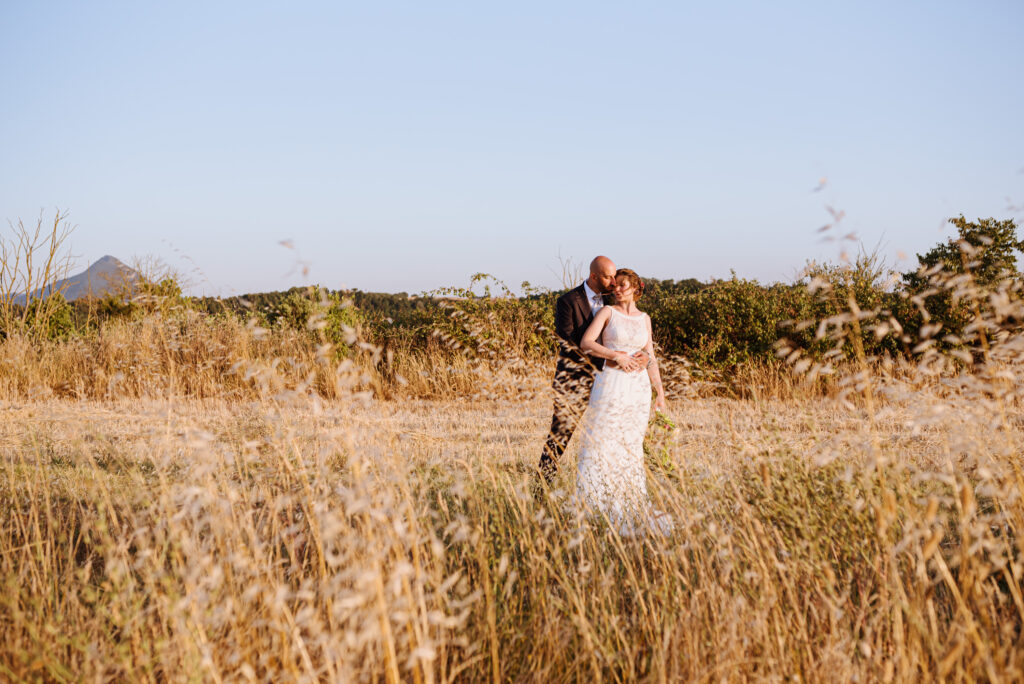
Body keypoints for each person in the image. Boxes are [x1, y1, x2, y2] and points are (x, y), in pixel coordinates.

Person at [575, 268, 671, 535]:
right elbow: (586, 342)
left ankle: (628, 502)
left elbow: (650, 355)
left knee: (630, 444)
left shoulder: (645, 318)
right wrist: (616, 355)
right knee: (604, 440)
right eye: (615, 285)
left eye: (623, 285)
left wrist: (660, 393)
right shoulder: (608, 313)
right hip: (611, 383)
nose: (617, 289)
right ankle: (594, 505)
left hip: (638, 388)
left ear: (636, 288)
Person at [538, 257, 648, 485]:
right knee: (561, 434)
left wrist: (642, 356)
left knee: (612, 436)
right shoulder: (568, 301)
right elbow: (567, 342)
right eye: (608, 278)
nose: (613, 283)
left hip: (612, 381)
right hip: (576, 377)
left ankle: (610, 486)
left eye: (615, 278)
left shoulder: (615, 297)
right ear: (594, 276)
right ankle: (542, 485)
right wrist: (609, 358)